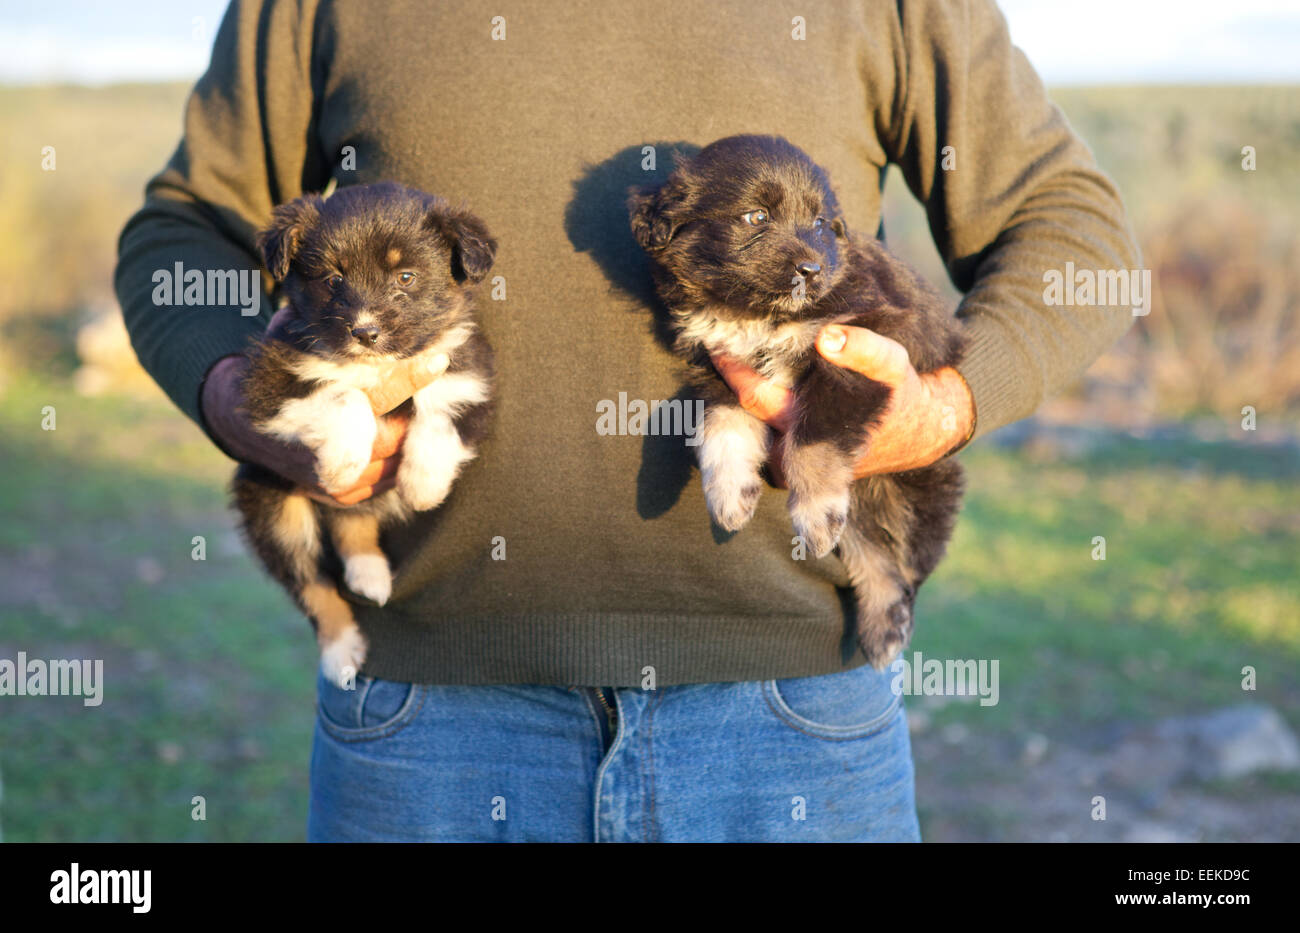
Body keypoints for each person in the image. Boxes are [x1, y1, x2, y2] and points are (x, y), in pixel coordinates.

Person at [115, 0, 1139, 842]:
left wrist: (945, 404)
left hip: (791, 720)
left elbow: (1073, 230)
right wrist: (235, 400)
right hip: (430, 719)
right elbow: (183, 231)